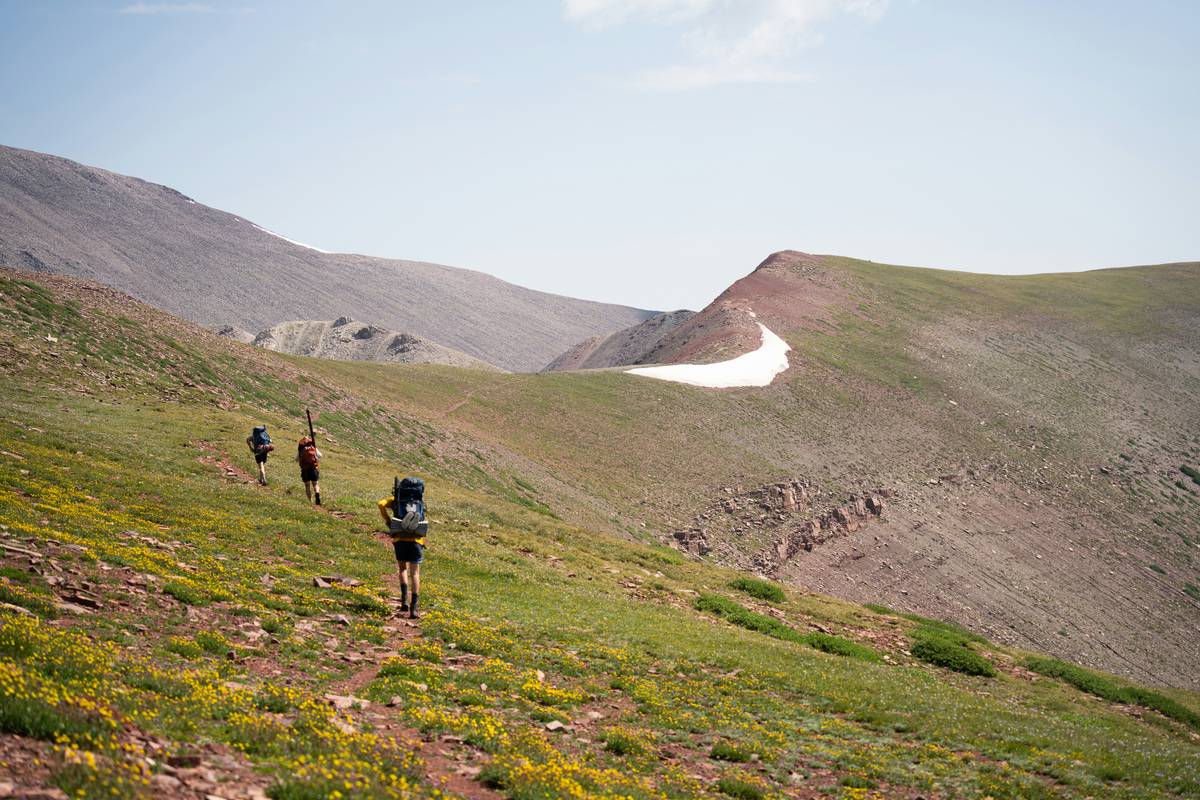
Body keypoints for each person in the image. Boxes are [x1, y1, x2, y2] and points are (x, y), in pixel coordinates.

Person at [377, 476, 428, 619]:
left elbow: (380, 504)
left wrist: (388, 521)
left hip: (399, 538)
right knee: (415, 573)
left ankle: (404, 600)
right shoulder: (419, 501)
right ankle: (414, 608)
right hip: (416, 540)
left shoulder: (396, 500)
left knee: (402, 569)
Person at [296, 436, 322, 505]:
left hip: (305, 470)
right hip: (313, 468)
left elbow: (296, 459)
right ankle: (317, 493)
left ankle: (310, 501)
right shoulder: (313, 447)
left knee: (307, 486)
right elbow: (320, 455)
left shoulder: (301, 449)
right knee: (315, 484)